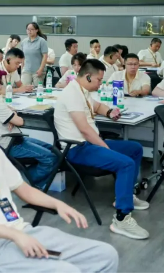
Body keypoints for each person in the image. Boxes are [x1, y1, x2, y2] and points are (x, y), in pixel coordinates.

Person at [0, 84, 119, 272]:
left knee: (106, 254)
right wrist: (15, 235)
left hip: (21, 231)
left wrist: (58, 204)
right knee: (66, 271)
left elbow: (24, 190)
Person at [54, 59, 150, 239]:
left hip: (90, 144)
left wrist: (109, 111)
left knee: (135, 149)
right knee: (126, 163)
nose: (101, 83)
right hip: (77, 149)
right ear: (88, 77)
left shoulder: (83, 91)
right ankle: (121, 219)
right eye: (99, 80)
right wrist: (105, 148)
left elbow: (97, 106)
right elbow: (84, 130)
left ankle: (126, 195)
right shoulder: (71, 94)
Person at [0, 66, 58, 188]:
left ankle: (25, 181)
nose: (3, 82)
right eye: (1, 80)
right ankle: (25, 185)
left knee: (52, 149)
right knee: (51, 158)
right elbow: (20, 122)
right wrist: (14, 118)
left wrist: (12, 116)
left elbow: (11, 111)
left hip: (11, 137)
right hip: (10, 142)